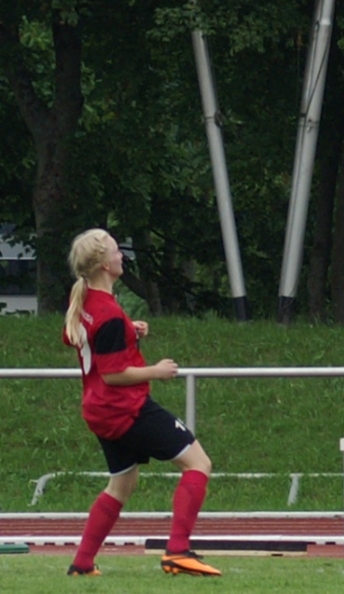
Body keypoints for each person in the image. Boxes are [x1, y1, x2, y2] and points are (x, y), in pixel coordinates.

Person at [62, 229, 221, 577]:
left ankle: (82, 564)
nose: (121, 255)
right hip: (125, 409)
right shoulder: (107, 312)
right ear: (105, 265)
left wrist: (128, 330)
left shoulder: (87, 301)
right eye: (116, 251)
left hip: (99, 411)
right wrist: (157, 371)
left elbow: (81, 337)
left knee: (122, 484)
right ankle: (177, 551)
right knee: (198, 463)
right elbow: (113, 374)